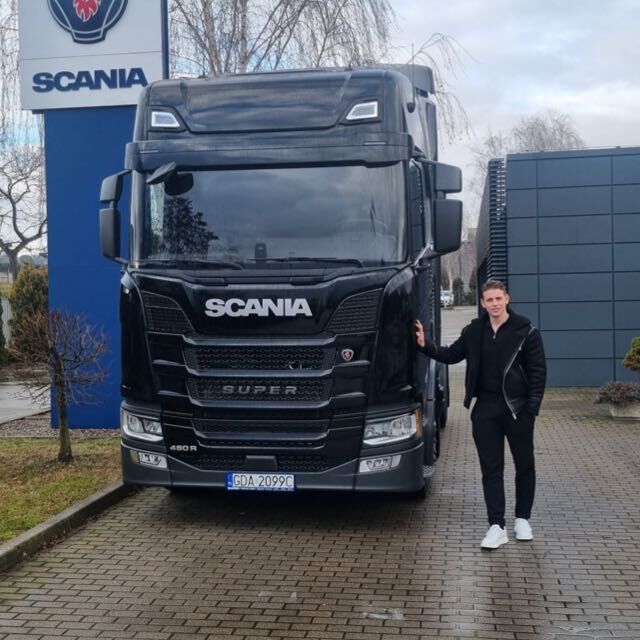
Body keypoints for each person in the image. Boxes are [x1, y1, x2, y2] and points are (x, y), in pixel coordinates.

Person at [415, 280, 546, 550]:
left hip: (517, 409)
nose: (494, 304)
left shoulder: (526, 330)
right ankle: (496, 526)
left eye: (498, 298)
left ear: (507, 299)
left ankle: (522, 519)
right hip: (485, 409)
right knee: (491, 469)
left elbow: (538, 373)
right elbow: (451, 355)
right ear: (483, 303)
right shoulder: (474, 331)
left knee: (524, 466)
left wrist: (531, 409)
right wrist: (425, 344)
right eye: (489, 300)